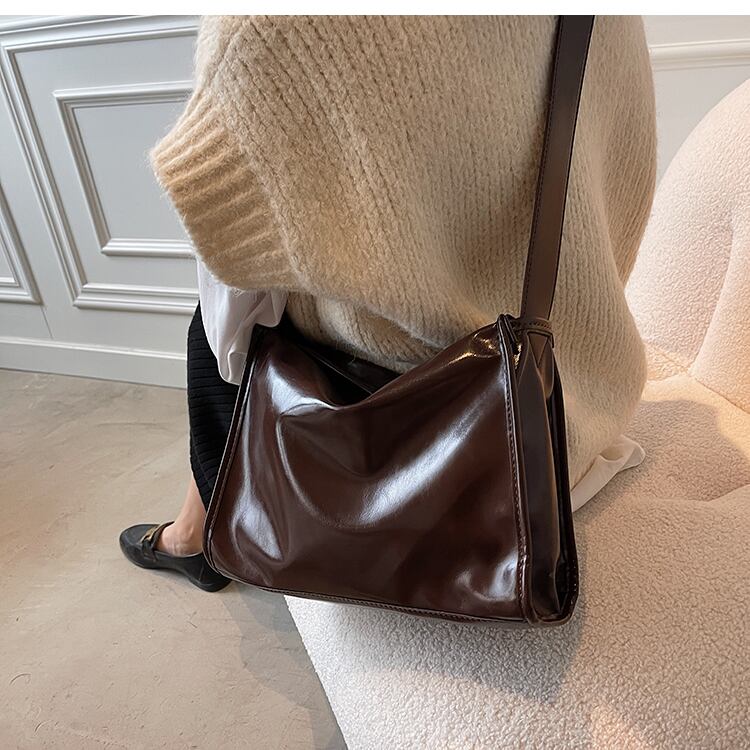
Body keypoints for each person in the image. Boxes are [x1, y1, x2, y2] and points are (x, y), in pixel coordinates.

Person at [120, 15, 656, 590]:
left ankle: (197, 534)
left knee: (219, 320)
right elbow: (626, 179)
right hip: (579, 382)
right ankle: (198, 527)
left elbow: (232, 315)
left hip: (430, 436)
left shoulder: (270, 30)